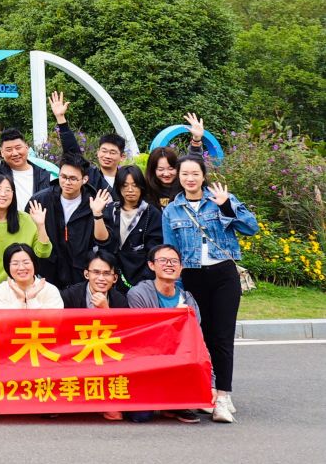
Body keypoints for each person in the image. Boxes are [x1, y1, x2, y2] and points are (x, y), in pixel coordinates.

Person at [162, 154, 257, 424]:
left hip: (223, 274)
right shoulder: (172, 210)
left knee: (222, 336)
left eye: (195, 173)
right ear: (178, 177)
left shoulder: (220, 198)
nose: (190, 179)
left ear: (203, 176)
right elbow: (171, 253)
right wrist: (176, 288)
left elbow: (251, 228)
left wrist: (226, 206)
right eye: (184, 174)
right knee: (200, 337)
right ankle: (208, 389)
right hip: (192, 277)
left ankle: (223, 397)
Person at [125, 243, 204, 424]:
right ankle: (159, 397)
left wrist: (211, 384)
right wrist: (176, 321)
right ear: (151, 265)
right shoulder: (138, 294)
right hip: (146, 362)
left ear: (181, 267)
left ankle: (175, 403)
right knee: (141, 417)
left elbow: (197, 340)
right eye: (163, 260)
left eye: (174, 261)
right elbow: (144, 336)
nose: (169, 264)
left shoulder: (188, 299)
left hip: (178, 360)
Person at [33, 154, 112, 288]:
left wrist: (97, 214)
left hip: (82, 275)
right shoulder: (41, 200)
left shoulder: (96, 201)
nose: (67, 182)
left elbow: (104, 241)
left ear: (85, 179)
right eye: (63, 177)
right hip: (48, 274)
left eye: (73, 178)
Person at [0, 175, 52, 297]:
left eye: (8, 190)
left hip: (23, 292)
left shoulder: (26, 220)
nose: (3, 194)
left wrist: (41, 225)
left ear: (13, 194)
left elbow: (43, 253)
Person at [50, 89, 126, 192]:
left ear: (122, 157)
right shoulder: (90, 175)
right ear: (98, 152)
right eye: (104, 151)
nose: (107, 156)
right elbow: (72, 151)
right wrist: (60, 118)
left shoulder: (127, 179)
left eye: (112, 152)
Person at [107, 164, 163, 285]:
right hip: (112, 274)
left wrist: (146, 277)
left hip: (142, 276)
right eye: (125, 185)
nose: (130, 190)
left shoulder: (151, 213)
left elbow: (155, 249)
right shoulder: (110, 210)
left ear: (142, 186)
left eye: (135, 185)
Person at [0, 243, 63, 309]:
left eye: (26, 263)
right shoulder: (0, 291)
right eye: (15, 264)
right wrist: (20, 300)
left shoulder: (50, 290)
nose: (21, 268)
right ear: (8, 267)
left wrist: (31, 299)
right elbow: (1, 319)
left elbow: (55, 318)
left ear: (34, 264)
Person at [63, 250, 130, 309]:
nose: (101, 278)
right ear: (86, 274)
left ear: (115, 278)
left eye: (107, 273)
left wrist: (106, 310)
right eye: (96, 272)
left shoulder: (120, 301)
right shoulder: (69, 296)